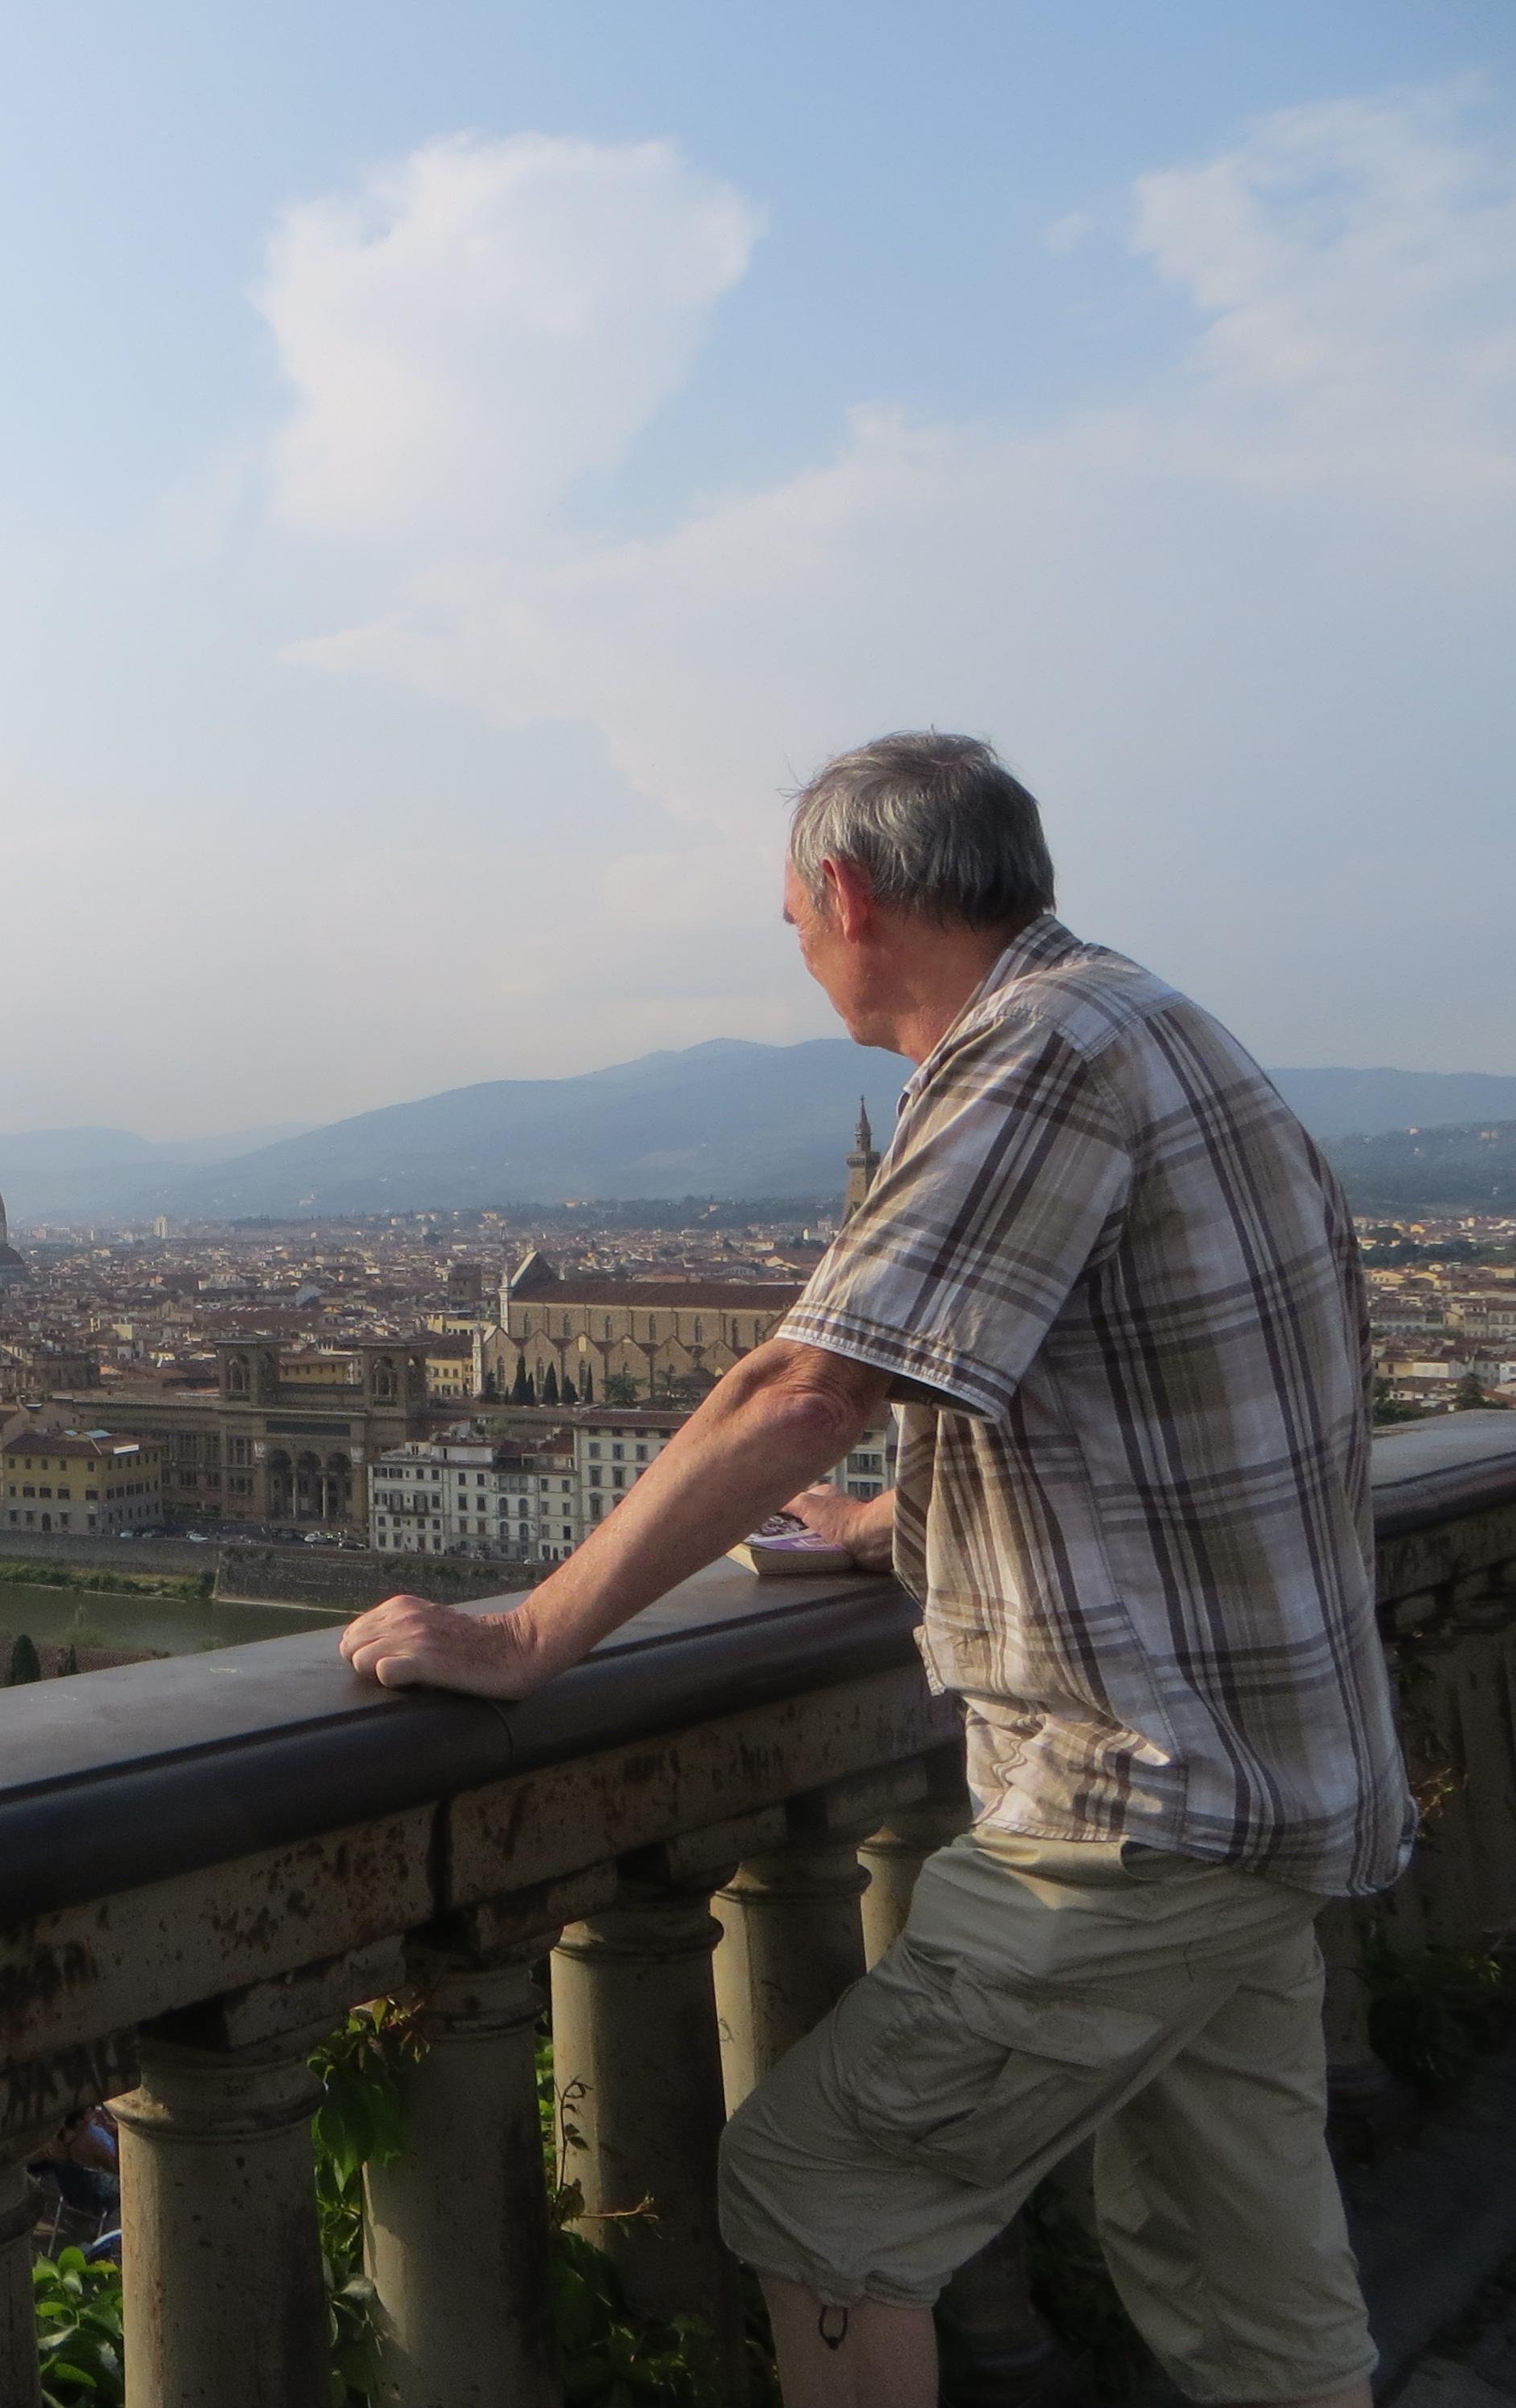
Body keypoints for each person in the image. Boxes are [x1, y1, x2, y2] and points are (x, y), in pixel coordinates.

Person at [342, 732, 1407, 2408]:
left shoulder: (1033, 1051)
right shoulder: (1165, 1031)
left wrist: (528, 1632)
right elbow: (1149, 1407)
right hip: (1272, 1776)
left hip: (1135, 1804)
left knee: (823, 2187)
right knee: (1236, 2280)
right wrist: (894, 1524)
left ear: (845, 893)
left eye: (788, 921)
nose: (797, 953)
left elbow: (805, 1388)